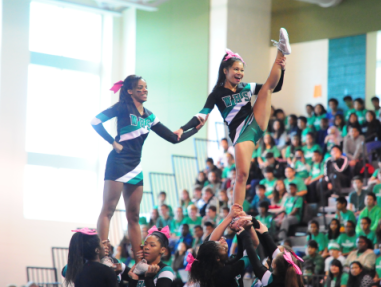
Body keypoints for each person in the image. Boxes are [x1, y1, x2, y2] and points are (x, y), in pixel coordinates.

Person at [92, 75, 201, 259]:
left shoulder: (150, 116)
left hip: (135, 165)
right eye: (140, 88)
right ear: (130, 91)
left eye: (146, 87)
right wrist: (112, 142)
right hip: (118, 162)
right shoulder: (122, 108)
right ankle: (102, 255)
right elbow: (95, 121)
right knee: (108, 209)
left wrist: (195, 129)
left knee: (133, 216)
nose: (145, 90)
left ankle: (139, 260)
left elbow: (174, 138)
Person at [176, 33, 290, 207]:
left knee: (266, 88)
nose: (240, 73)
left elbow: (277, 87)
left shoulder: (246, 87)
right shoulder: (217, 94)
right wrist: (182, 129)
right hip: (240, 133)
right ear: (225, 71)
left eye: (242, 70)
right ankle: (236, 209)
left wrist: (283, 69)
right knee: (242, 175)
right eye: (236, 69)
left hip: (255, 121)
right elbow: (201, 115)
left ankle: (281, 51)